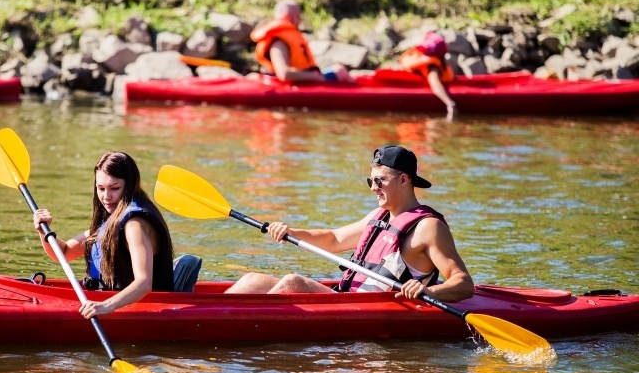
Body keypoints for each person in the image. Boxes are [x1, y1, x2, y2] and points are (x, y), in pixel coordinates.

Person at [225, 145, 475, 303]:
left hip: (376, 309)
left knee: (294, 282)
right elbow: (334, 239)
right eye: (371, 181)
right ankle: (206, 313)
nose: (373, 188)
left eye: (380, 181)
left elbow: (463, 283)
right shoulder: (379, 216)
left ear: (403, 180)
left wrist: (429, 292)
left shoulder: (428, 227)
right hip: (347, 299)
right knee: (252, 280)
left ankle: (236, 325)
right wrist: (290, 232)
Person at [33, 152, 175, 320]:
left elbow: (144, 283)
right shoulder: (111, 220)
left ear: (129, 185)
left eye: (115, 188)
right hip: (108, 301)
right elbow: (63, 253)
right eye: (101, 188)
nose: (106, 197)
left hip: (149, 308)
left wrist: (106, 305)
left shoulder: (134, 225)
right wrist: (44, 232)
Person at [250, 0, 351, 83]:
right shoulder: (278, 42)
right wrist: (317, 77)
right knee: (340, 71)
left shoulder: (287, 36)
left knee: (339, 69)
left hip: (305, 81)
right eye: (298, 15)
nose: (300, 20)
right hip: (289, 86)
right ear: (287, 16)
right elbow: (284, 74)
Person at [400, 31, 457, 121]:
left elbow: (433, 80)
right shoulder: (428, 61)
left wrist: (449, 103)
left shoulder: (433, 67)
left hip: (444, 98)